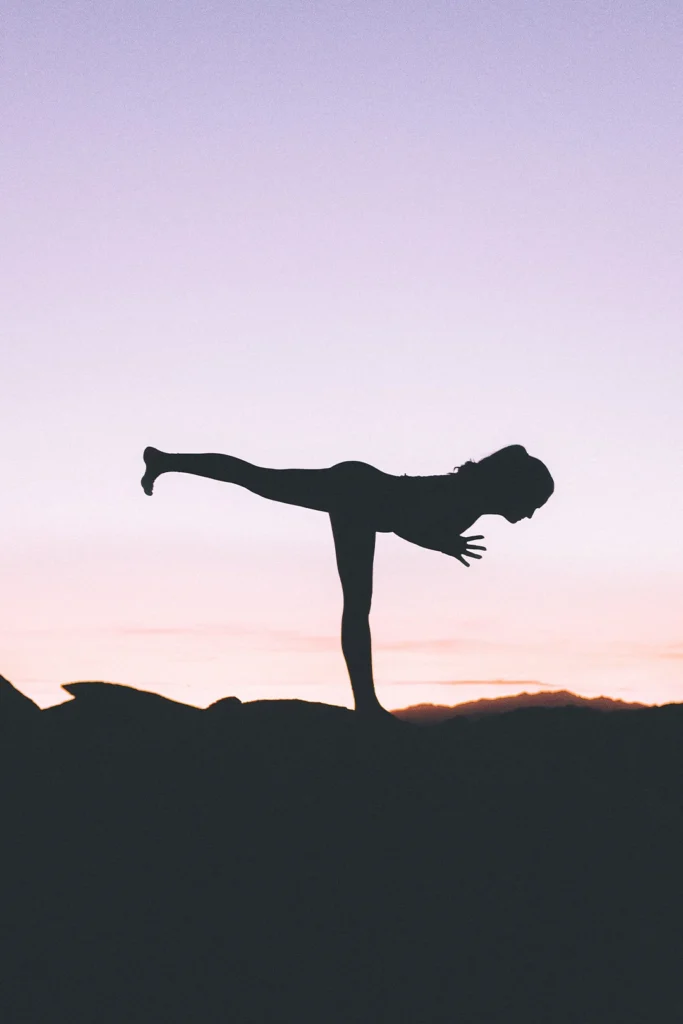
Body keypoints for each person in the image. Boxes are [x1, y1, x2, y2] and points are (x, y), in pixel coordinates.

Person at [140, 444, 554, 717]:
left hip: (361, 490)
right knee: (356, 605)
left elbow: (414, 521)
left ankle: (165, 461)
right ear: (514, 491)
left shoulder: (471, 499)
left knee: (259, 479)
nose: (532, 515)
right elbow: (407, 522)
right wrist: (443, 544)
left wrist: (441, 542)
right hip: (358, 495)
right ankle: (367, 705)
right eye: (533, 504)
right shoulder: (467, 501)